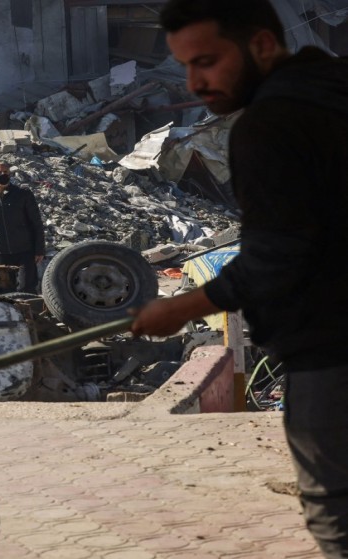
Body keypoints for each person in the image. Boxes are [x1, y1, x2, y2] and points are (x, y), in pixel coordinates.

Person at [130, 1, 348, 555]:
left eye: (207, 61)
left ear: (261, 46)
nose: (195, 83)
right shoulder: (334, 89)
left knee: (335, 513)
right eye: (185, 66)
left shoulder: (268, 125)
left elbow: (278, 254)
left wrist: (178, 308)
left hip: (330, 350)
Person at [0, 162, 45, 293]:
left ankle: (29, 313)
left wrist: (39, 250)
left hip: (24, 250)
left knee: (26, 288)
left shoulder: (23, 194)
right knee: (2, 289)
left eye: (6, 172)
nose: (3, 174)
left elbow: (36, 223)